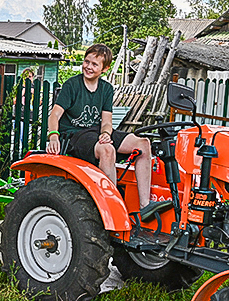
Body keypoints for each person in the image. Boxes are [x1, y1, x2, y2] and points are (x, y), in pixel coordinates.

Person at [47, 43, 166, 219]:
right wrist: (53, 137)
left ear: (105, 68)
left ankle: (145, 205)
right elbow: (54, 115)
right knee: (107, 150)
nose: (88, 66)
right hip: (74, 135)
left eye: (95, 64)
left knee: (144, 144)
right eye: (87, 61)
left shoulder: (106, 89)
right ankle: (113, 208)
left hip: (95, 131)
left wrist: (106, 133)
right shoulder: (72, 85)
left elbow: (107, 121)